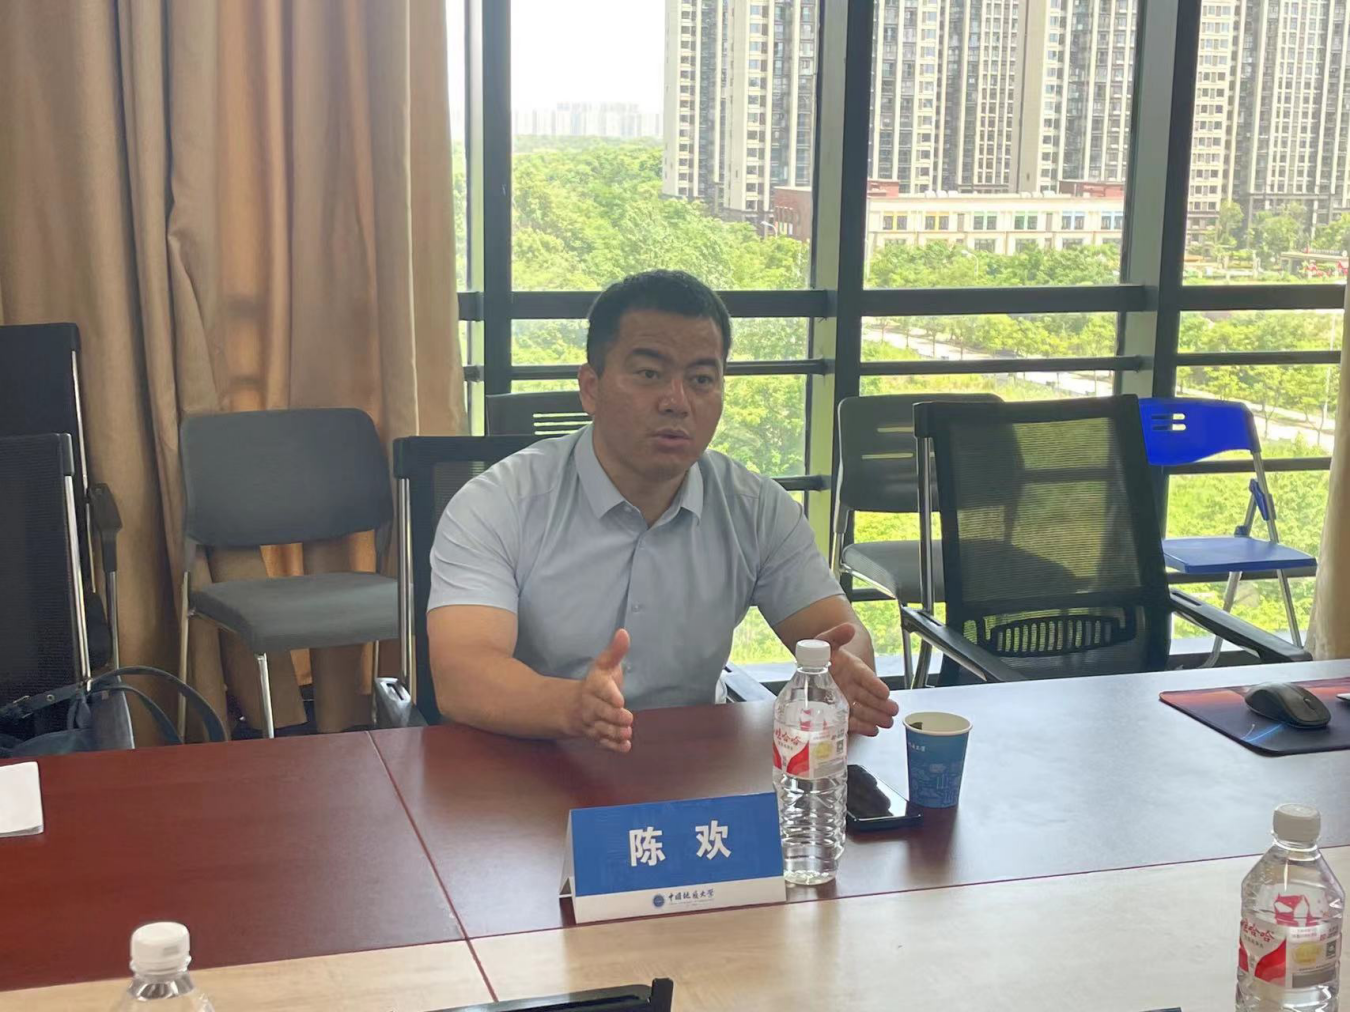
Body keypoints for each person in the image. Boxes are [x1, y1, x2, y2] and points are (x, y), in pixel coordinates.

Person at [427, 269, 898, 751]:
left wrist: (846, 671)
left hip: (693, 766)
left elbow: (837, 636)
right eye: (649, 374)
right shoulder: (499, 503)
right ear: (590, 387)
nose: (677, 402)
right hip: (530, 757)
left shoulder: (757, 509)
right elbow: (463, 674)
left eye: (701, 379)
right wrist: (573, 707)